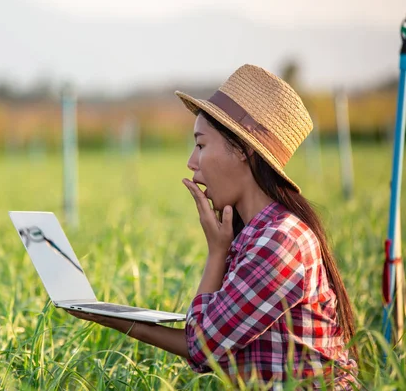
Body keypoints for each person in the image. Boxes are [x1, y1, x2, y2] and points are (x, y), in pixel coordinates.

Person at [67, 64, 359, 389]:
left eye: (201, 145)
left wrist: (216, 253)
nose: (192, 161)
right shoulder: (256, 234)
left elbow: (202, 346)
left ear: (244, 151)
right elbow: (205, 343)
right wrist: (105, 315)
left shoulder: (278, 242)